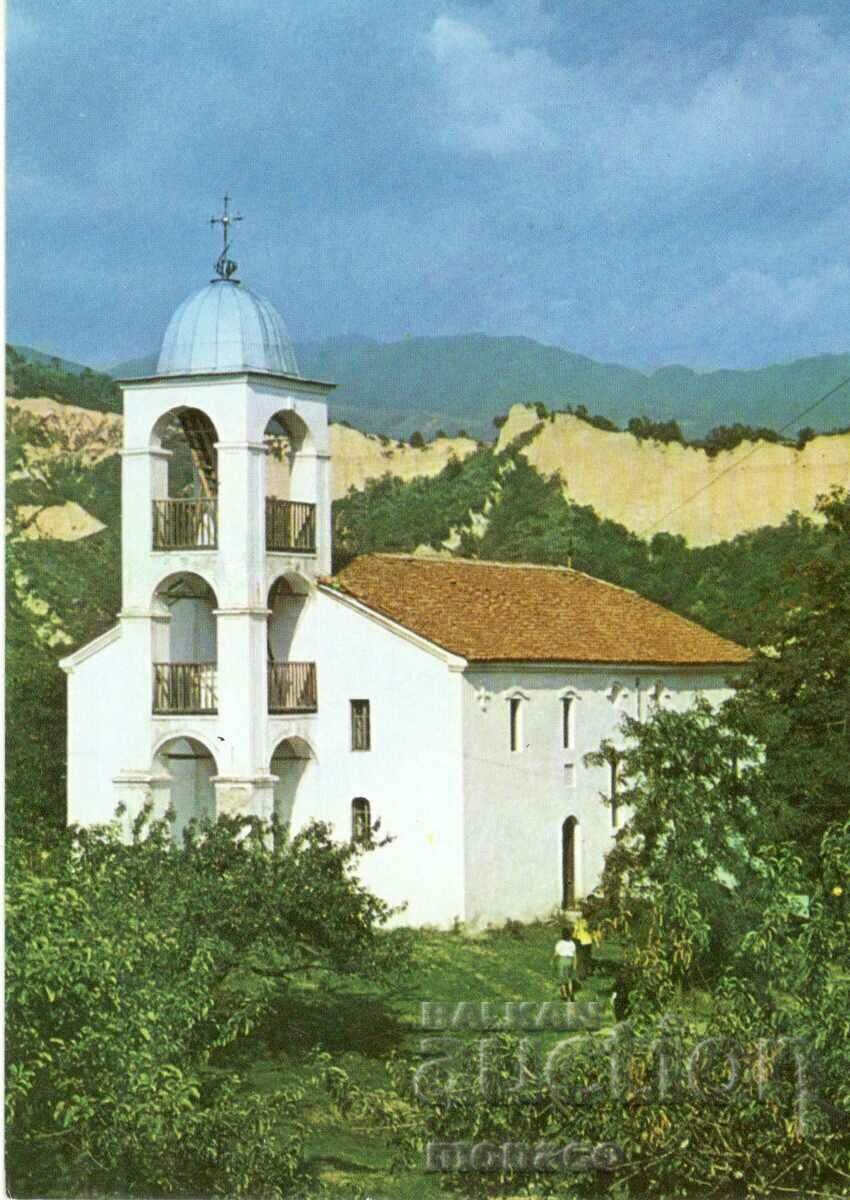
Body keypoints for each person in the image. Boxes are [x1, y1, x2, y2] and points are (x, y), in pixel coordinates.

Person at [553, 926, 578, 1001]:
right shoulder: (572, 943)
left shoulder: (560, 943)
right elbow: (574, 955)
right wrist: (575, 964)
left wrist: (552, 960)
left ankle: (564, 994)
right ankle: (571, 994)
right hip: (570, 961)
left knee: (562, 979)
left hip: (562, 960)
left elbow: (556, 954)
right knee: (569, 979)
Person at [572, 914, 594, 979]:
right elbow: (592, 932)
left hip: (581, 941)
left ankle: (581, 975)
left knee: (580, 959)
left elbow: (575, 932)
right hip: (589, 941)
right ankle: (586, 972)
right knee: (587, 958)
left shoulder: (578, 922)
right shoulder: (589, 922)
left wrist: (573, 938)